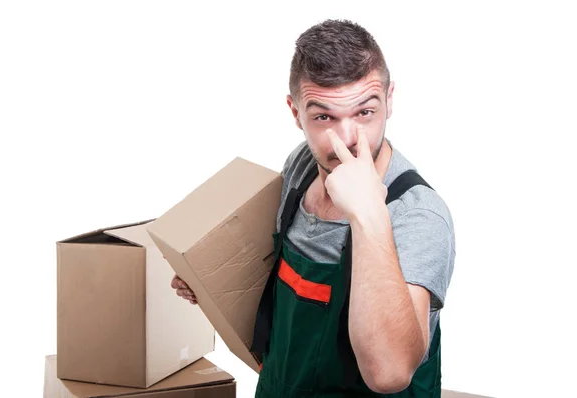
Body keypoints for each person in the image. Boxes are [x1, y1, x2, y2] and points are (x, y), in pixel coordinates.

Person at [171, 19, 455, 398]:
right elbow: (267, 278)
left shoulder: (418, 216)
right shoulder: (302, 166)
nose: (349, 140)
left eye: (365, 113)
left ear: (389, 100)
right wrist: (207, 282)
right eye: (324, 117)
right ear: (295, 112)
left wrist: (368, 214)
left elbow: (389, 373)